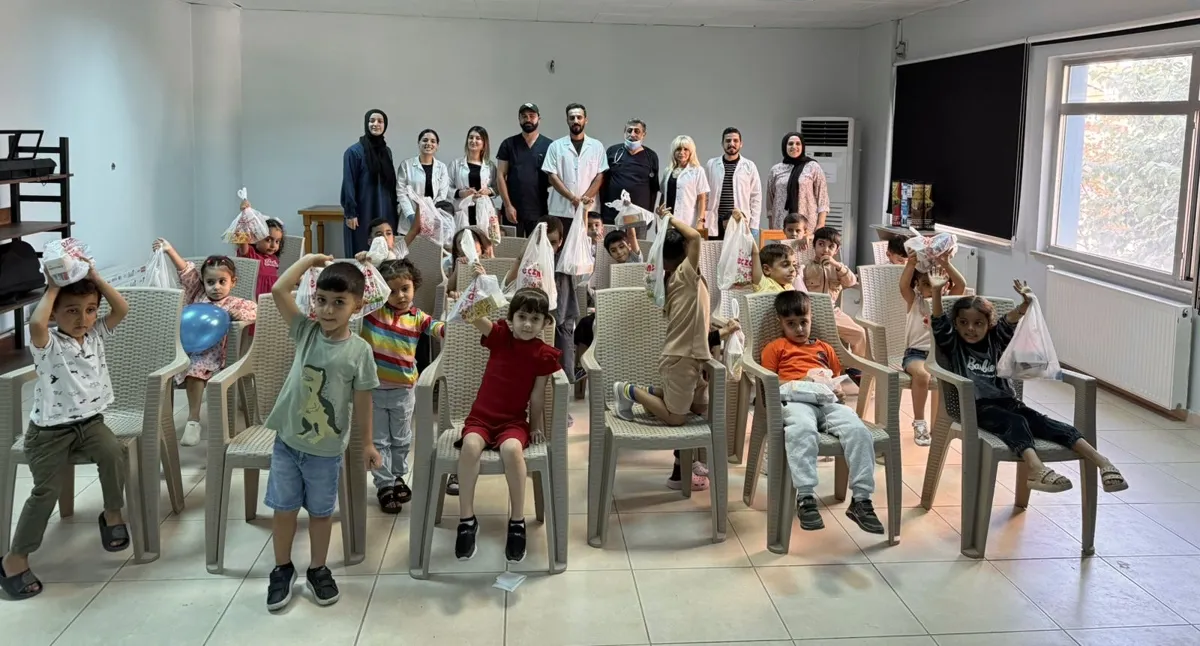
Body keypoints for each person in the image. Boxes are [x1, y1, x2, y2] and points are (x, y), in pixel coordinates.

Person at [0, 265, 130, 600]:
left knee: (114, 453)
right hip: (49, 433)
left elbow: (122, 308)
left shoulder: (96, 334)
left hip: (90, 423)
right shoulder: (48, 343)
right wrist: (53, 286)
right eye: (72, 311)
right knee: (46, 491)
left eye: (90, 310)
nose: (83, 319)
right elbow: (35, 324)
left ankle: (112, 512)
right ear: (54, 313)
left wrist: (96, 278)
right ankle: (15, 558)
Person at [930, 279, 1128, 494]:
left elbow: (1009, 321)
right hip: (975, 406)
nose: (970, 328)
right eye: (963, 323)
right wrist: (937, 292)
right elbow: (939, 323)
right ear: (956, 324)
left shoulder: (995, 340)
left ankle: (1102, 461)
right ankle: (1035, 468)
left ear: (988, 324)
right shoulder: (954, 344)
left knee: (1044, 422)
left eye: (978, 323)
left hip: (1007, 402)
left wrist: (1025, 303)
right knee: (1016, 422)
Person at [264, 255, 380, 611]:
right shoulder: (305, 331)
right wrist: (309, 260)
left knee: (320, 512)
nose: (327, 310)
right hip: (287, 443)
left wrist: (367, 443)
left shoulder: (360, 352)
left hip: (325, 452)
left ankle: (318, 568)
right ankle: (282, 568)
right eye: (321, 300)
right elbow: (279, 289)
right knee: (284, 510)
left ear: (357, 305)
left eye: (339, 302)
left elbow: (363, 401)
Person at [761, 290, 885, 534]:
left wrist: (838, 392)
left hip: (827, 402)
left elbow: (834, 378)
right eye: (791, 324)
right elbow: (769, 383)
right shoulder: (776, 348)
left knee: (859, 431)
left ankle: (861, 500)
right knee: (802, 430)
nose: (799, 329)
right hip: (796, 401)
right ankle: (806, 497)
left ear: (811, 318)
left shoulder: (824, 348)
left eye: (803, 322)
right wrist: (800, 381)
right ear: (781, 322)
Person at [454, 287, 562, 563]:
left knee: (512, 450)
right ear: (511, 318)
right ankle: (466, 519)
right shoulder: (500, 336)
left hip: (513, 421)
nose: (527, 324)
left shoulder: (543, 354)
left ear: (545, 323)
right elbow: (471, 315)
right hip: (481, 417)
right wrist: (481, 294)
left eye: (535, 319)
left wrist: (535, 426)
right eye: (522, 317)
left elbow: (537, 396)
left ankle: (517, 520)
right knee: (470, 446)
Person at [611, 215, 712, 489]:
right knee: (677, 418)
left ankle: (685, 467)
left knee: (699, 408)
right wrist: (669, 219)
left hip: (689, 357)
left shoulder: (674, 279)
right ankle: (629, 390)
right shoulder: (684, 275)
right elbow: (695, 237)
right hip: (682, 358)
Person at [360, 258, 445, 513]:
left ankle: (397, 477)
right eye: (392, 291)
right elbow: (358, 297)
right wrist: (366, 268)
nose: (400, 296)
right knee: (379, 441)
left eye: (405, 289)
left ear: (414, 286)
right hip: (373, 390)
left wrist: (452, 326)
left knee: (402, 439)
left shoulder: (418, 317)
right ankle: (384, 484)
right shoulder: (372, 313)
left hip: (404, 390)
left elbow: (438, 328)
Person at [155, 243, 258, 447]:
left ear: (233, 282)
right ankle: (159, 422)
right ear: (203, 282)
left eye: (222, 281)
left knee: (195, 369)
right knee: (165, 365)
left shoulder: (234, 303)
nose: (216, 287)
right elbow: (186, 271)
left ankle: (193, 420)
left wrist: (237, 315)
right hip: (187, 350)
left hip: (216, 355)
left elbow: (255, 310)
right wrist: (169, 250)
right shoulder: (197, 295)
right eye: (210, 282)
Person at [900, 255, 966, 446]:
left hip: (941, 356)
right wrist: (911, 263)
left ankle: (939, 427)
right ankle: (919, 421)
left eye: (937, 282)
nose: (931, 287)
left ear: (946, 284)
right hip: (916, 354)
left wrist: (946, 263)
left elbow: (961, 284)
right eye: (926, 284)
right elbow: (903, 285)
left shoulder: (948, 302)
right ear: (918, 286)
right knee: (922, 375)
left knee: (949, 379)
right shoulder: (915, 300)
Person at [505, 217, 578, 388]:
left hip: (561, 319)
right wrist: (525, 251)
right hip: (532, 320)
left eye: (553, 242)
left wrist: (583, 211)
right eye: (544, 241)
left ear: (561, 242)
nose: (548, 247)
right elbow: (508, 283)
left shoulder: (564, 261)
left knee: (563, 368)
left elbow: (579, 243)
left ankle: (560, 401)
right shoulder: (529, 262)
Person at [542, 103, 608, 236]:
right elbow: (552, 176)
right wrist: (573, 199)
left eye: (579, 117)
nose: (575, 121)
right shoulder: (555, 146)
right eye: (572, 118)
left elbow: (600, 176)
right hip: (561, 210)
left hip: (589, 210)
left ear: (586, 120)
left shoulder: (597, 146)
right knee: (562, 245)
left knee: (588, 246)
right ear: (567, 120)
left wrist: (584, 200)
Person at [341, 109, 398, 257]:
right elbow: (349, 183)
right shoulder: (354, 152)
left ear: (385, 125)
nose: (375, 124)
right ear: (366, 123)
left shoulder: (386, 152)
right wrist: (350, 213)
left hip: (385, 209)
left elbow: (391, 182)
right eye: (371, 121)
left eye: (380, 121)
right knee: (362, 250)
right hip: (363, 211)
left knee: (385, 252)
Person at [803, 227, 866, 358]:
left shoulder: (838, 268)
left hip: (832, 312)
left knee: (859, 333)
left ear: (836, 250)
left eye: (831, 246)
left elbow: (851, 282)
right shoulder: (805, 267)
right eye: (821, 244)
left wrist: (837, 266)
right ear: (814, 246)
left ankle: (856, 366)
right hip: (808, 312)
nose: (825, 250)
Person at [497, 103, 553, 236]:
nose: (528, 119)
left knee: (537, 246)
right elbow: (500, 176)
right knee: (511, 246)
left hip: (538, 209)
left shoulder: (549, 146)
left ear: (539, 119)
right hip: (513, 209)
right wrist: (508, 205)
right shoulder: (508, 144)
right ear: (519, 119)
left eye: (532, 116)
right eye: (524, 116)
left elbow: (554, 178)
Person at [600, 119, 659, 230]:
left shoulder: (651, 157)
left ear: (644, 134)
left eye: (637, 131)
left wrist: (650, 214)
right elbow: (603, 183)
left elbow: (653, 190)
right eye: (629, 130)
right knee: (611, 240)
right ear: (624, 132)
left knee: (635, 240)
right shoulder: (613, 152)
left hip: (638, 215)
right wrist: (601, 211)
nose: (632, 134)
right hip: (612, 214)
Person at [766, 132, 829, 235]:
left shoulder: (813, 167)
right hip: (781, 223)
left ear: (802, 146)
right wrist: (771, 224)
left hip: (807, 223)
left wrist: (821, 224)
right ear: (784, 146)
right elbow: (770, 199)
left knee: (804, 246)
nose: (794, 146)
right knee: (782, 246)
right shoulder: (776, 170)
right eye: (790, 144)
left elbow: (823, 198)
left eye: (798, 144)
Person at [705, 127, 762, 240]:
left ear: (741, 144)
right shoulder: (711, 164)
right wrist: (702, 219)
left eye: (735, 141)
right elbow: (705, 194)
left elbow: (756, 197)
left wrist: (754, 225)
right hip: (715, 221)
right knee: (714, 250)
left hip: (739, 220)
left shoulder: (749, 166)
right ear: (722, 144)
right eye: (728, 141)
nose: (731, 144)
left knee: (738, 251)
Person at [448, 126, 501, 234]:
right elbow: (446, 187)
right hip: (462, 209)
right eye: (471, 137)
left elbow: (497, 187)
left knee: (483, 239)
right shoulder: (456, 164)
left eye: (478, 138)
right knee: (462, 240)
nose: (473, 140)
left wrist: (488, 191)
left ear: (484, 143)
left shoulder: (490, 166)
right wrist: (460, 193)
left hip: (483, 210)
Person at [397, 128, 450, 235]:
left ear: (437, 146)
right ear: (419, 143)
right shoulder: (406, 165)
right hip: (409, 222)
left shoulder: (442, 167)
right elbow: (401, 193)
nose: (428, 143)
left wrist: (431, 215)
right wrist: (411, 216)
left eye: (433, 141)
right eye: (425, 140)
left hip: (433, 220)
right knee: (408, 245)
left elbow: (442, 194)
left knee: (430, 246)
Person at [235, 195, 285, 301]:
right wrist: (244, 215)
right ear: (256, 238)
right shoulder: (250, 254)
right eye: (268, 240)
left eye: (277, 241)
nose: (273, 245)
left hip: (271, 299)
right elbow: (242, 239)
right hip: (253, 299)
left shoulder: (274, 259)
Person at [656, 135, 710, 230]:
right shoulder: (668, 171)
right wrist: (660, 215)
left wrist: (700, 221)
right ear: (674, 151)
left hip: (687, 220)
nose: (682, 152)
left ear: (691, 152)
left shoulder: (697, 171)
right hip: (667, 220)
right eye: (678, 149)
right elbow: (663, 195)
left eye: (686, 149)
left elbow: (702, 198)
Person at [356, 214, 420, 263]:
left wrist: (419, 204)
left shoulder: (398, 250)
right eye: (379, 235)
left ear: (393, 239)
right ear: (370, 242)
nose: (385, 238)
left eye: (388, 233)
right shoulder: (368, 257)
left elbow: (415, 230)